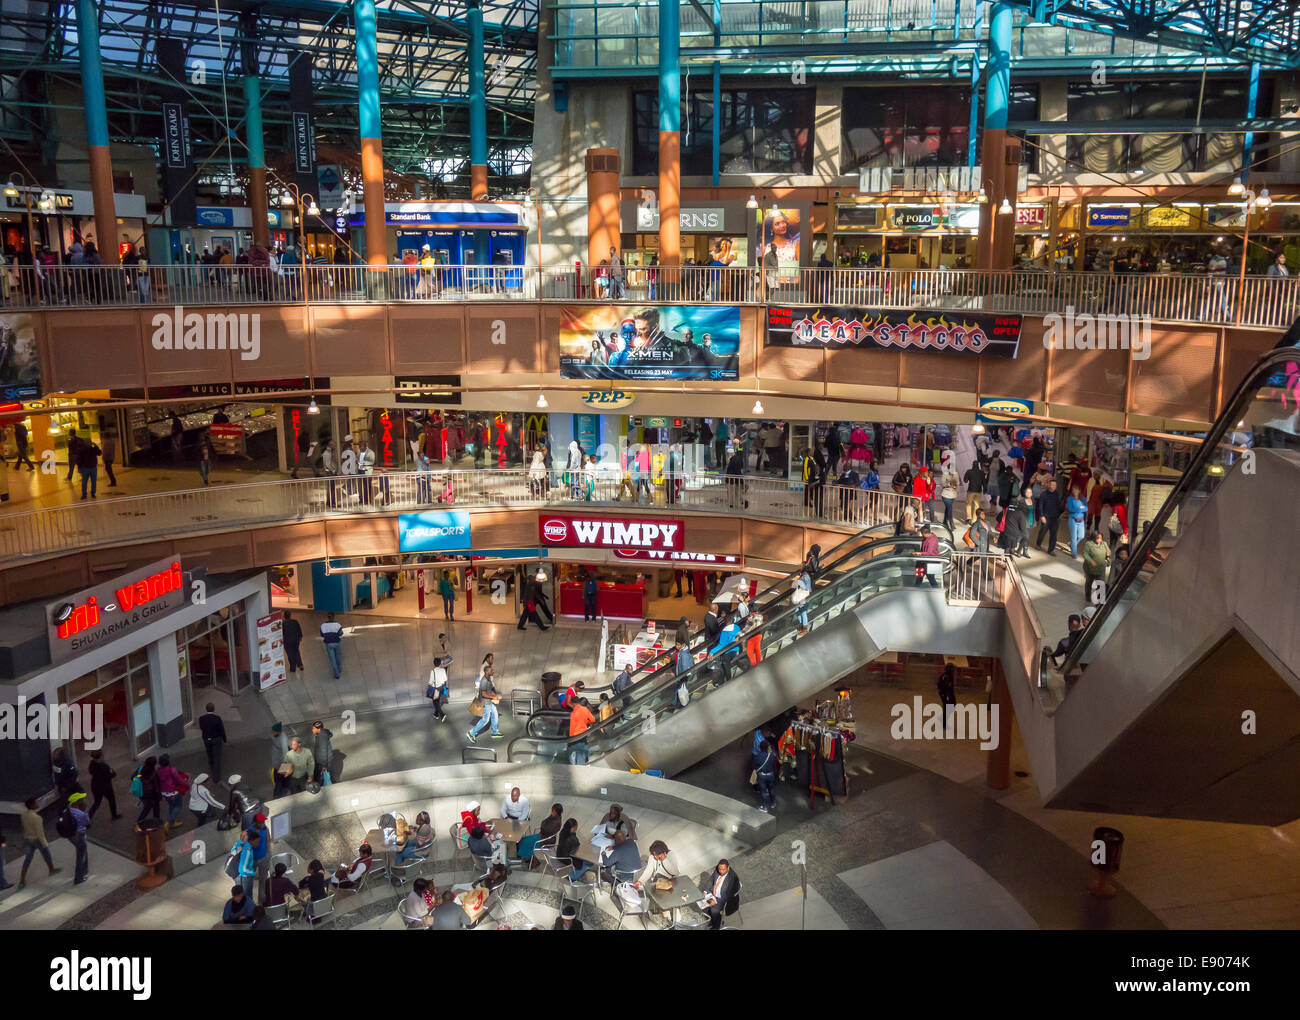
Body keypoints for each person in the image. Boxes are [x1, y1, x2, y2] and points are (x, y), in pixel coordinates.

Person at [16, 797, 59, 890]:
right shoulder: (37, 818)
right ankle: (51, 869)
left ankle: (22, 880)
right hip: (37, 840)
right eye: (36, 803)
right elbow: (40, 833)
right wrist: (45, 844)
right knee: (46, 854)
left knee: (28, 859)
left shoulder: (23, 815)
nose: (37, 804)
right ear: (32, 805)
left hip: (27, 839)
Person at [467, 665, 503, 742]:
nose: (493, 671)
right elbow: (484, 694)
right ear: (487, 672)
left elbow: (490, 690)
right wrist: (494, 698)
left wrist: (496, 696)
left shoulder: (488, 679)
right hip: (486, 703)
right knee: (485, 720)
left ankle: (495, 732)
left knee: (495, 715)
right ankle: (471, 733)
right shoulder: (484, 681)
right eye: (491, 671)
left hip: (489, 702)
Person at [701, 859, 739, 929]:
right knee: (703, 905)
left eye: (723, 869)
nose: (721, 871)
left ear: (728, 867)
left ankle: (716, 926)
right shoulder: (717, 869)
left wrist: (715, 901)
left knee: (714, 910)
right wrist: (705, 891)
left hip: (723, 898)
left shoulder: (732, 878)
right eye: (719, 869)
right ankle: (712, 921)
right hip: (713, 894)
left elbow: (728, 895)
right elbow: (710, 880)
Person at [86, 749, 120, 821]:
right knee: (111, 799)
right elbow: (111, 775)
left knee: (97, 802)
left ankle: (88, 817)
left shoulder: (92, 764)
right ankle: (114, 815)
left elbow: (91, 772)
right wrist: (113, 772)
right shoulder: (104, 766)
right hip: (105, 786)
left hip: (95, 786)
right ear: (101, 756)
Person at [198, 702, 227, 781]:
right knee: (217, 756)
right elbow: (221, 730)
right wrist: (224, 739)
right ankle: (216, 777)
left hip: (207, 739)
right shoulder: (217, 718)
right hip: (216, 739)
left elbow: (201, 728)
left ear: (206, 709)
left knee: (209, 754)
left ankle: (211, 768)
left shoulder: (201, 718)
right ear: (214, 709)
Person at [558, 818, 592, 882]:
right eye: (576, 826)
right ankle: (573, 876)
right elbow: (577, 852)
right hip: (567, 858)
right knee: (589, 862)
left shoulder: (563, 832)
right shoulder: (572, 839)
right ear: (572, 828)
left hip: (560, 854)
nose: (576, 828)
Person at [1081, 531, 1112, 602]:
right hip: (1090, 569)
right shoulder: (1088, 544)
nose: (1099, 540)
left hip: (1101, 569)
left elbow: (1109, 551)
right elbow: (1085, 554)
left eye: (1101, 538)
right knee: (1089, 583)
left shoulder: (1104, 544)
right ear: (1093, 538)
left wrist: (1108, 553)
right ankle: (1088, 597)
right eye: (1098, 538)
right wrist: (1091, 561)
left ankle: (1099, 599)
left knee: (1101, 584)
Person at [1035, 477, 1063, 554]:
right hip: (1046, 516)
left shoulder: (1057, 494)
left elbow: (1059, 505)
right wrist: (1042, 516)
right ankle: (1038, 544)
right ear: (1049, 485)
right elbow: (1040, 506)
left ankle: (1051, 550)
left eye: (1055, 485)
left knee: (1054, 534)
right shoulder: (1044, 494)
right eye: (1052, 485)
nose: (1053, 486)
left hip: (1055, 517)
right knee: (1042, 532)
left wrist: (1059, 515)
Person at [568, 697, 595, 764]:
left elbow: (572, 727)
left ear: (574, 703)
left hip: (576, 735)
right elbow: (593, 719)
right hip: (584, 733)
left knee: (575, 751)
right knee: (582, 749)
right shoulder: (585, 709)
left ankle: (578, 766)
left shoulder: (573, 713)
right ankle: (584, 762)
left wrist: (571, 738)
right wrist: (586, 722)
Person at [135, 755, 161, 823]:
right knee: (155, 806)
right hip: (152, 794)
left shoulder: (140, 769)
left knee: (147, 807)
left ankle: (139, 820)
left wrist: (140, 778)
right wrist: (159, 794)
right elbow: (156, 785)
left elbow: (133, 777)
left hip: (142, 792)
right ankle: (156, 820)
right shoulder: (154, 773)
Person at [754, 740, 777, 813]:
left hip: (762, 776)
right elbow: (774, 765)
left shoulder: (758, 756)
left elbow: (755, 766)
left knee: (763, 791)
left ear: (760, 747)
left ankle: (764, 807)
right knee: (771, 789)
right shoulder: (772, 755)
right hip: (771, 775)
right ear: (767, 747)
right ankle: (773, 803)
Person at [76, 433, 101, 500]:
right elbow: (79, 459)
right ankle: (90, 494)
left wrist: (95, 446)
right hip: (90, 468)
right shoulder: (83, 449)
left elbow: (99, 453)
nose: (88, 443)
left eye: (89, 441)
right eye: (87, 442)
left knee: (86, 482)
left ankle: (86, 494)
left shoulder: (92, 448)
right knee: (90, 482)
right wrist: (95, 446)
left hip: (88, 468)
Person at [269, 722, 291, 798]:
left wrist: (283, 767)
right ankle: (285, 791)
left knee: (279, 780)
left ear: (278, 732)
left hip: (283, 763)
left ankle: (277, 796)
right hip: (278, 762)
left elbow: (285, 753)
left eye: (274, 731)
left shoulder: (283, 739)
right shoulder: (275, 736)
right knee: (282, 780)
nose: (272, 733)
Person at [320, 611, 343, 678]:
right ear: (333, 617)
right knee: (338, 656)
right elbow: (340, 634)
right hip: (336, 643)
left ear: (328, 617)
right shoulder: (337, 625)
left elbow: (322, 635)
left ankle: (336, 674)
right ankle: (339, 668)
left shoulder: (323, 625)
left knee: (332, 659)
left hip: (328, 644)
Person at [1066, 486, 1088, 556]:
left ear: (1079, 490)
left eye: (1076, 489)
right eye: (1074, 490)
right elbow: (1071, 509)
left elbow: (1086, 508)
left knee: (1081, 536)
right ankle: (1074, 553)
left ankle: (1072, 544)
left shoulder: (1083, 499)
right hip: (1073, 519)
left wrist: (1077, 508)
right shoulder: (1070, 499)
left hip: (1081, 520)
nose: (1075, 491)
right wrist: (1080, 508)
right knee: (1074, 537)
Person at [428, 656, 450, 722]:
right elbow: (445, 679)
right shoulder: (443, 670)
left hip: (436, 689)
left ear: (434, 663)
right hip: (442, 688)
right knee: (437, 702)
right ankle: (436, 714)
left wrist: (429, 685)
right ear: (440, 663)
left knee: (435, 702)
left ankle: (442, 714)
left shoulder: (433, 671)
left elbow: (431, 681)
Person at [937, 663, 957, 733]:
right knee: (947, 708)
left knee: (952, 706)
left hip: (949, 693)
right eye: (952, 669)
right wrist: (946, 696)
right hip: (945, 694)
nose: (953, 670)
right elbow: (943, 687)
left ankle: (942, 719)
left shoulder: (949, 675)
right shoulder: (946, 676)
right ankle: (944, 724)